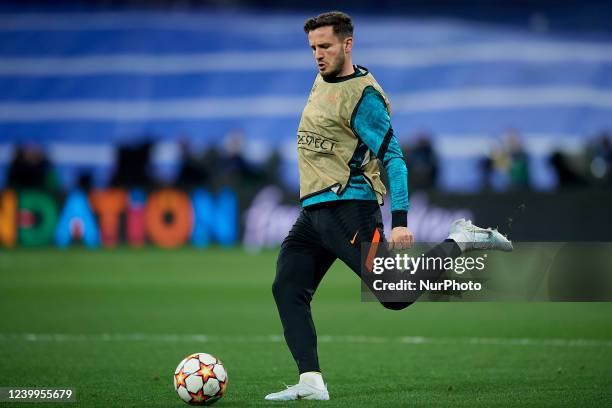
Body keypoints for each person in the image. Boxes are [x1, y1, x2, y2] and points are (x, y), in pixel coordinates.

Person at [265, 11, 512, 401]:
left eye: (325, 46)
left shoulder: (364, 97)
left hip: (350, 209)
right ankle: (311, 382)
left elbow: (394, 158)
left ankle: (460, 240)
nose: (317, 54)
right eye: (313, 47)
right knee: (287, 286)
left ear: (348, 44)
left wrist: (399, 220)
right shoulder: (323, 78)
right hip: (314, 213)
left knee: (394, 296)